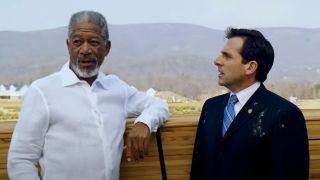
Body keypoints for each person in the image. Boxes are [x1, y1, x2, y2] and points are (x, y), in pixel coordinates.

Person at [7, 10, 169, 180]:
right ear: (68, 45)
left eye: (93, 42)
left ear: (107, 48)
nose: (85, 50)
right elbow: (20, 159)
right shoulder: (42, 91)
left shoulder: (116, 88)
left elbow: (159, 105)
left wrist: (144, 123)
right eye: (77, 42)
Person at [190, 28, 309, 180]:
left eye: (227, 56)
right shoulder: (211, 107)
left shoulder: (284, 114)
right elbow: (199, 168)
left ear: (250, 67)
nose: (217, 61)